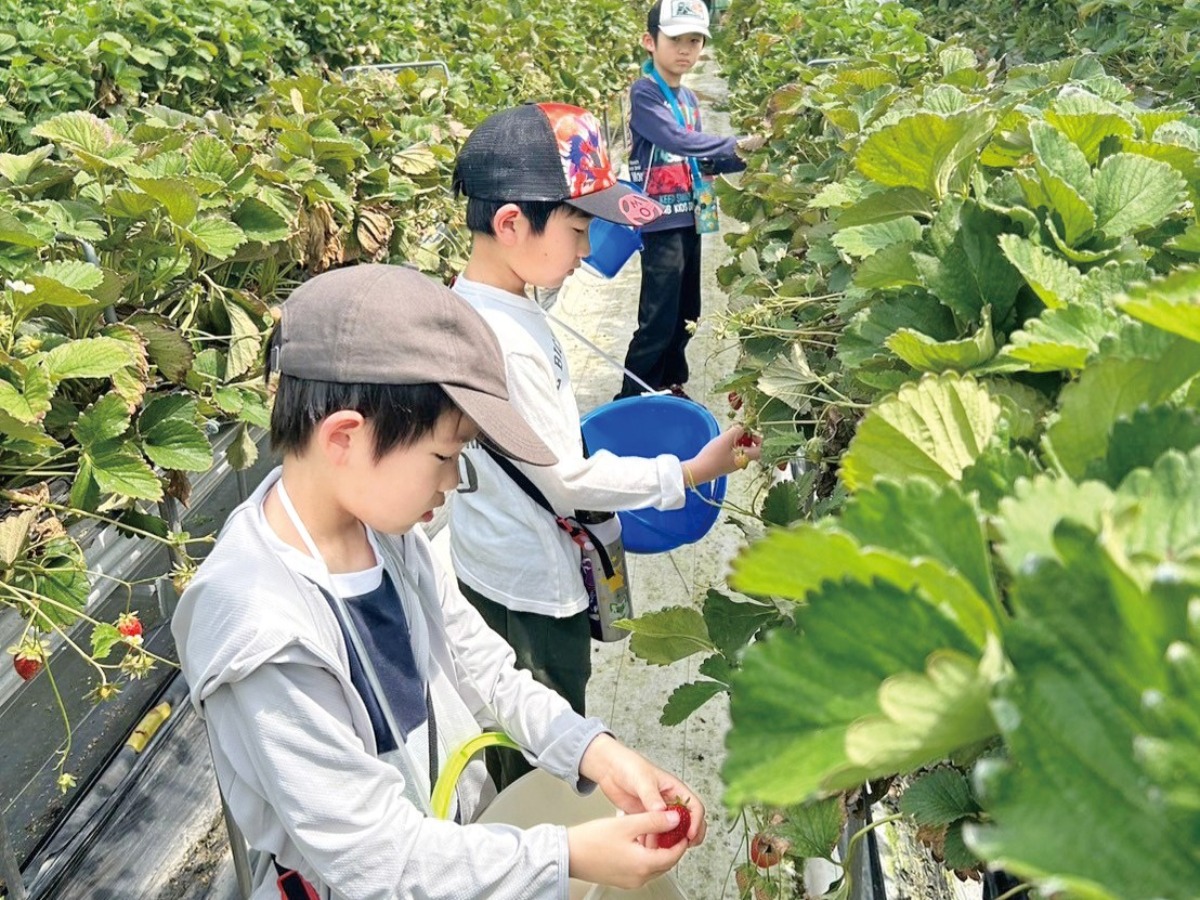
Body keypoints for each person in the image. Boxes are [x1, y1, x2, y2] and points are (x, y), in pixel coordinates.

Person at [172, 264, 707, 899]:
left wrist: (592, 751)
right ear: (345, 436)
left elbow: (479, 663)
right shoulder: (259, 631)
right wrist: (565, 856)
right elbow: (377, 862)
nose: (453, 483)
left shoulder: (382, 531)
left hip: (455, 848)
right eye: (445, 456)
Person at [448, 102, 761, 790]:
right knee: (543, 737)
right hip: (528, 587)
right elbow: (565, 481)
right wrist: (687, 471)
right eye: (579, 226)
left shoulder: (475, 308)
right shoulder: (510, 342)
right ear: (510, 225)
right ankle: (542, 841)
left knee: (511, 719)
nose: (588, 249)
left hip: (490, 559)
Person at [615, 0, 760, 400]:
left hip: (690, 216)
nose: (685, 49)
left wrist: (752, 155)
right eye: (676, 39)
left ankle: (670, 383)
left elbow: (704, 156)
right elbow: (677, 141)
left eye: (694, 40)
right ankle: (631, 396)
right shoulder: (645, 94)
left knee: (687, 312)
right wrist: (738, 141)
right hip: (660, 220)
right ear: (650, 41)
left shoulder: (689, 100)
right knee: (658, 317)